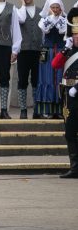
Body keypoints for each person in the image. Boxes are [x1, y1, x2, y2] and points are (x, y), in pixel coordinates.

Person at [50, 21, 78, 178]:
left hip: (76, 91)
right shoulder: (68, 50)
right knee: (70, 132)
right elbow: (54, 64)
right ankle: (75, 168)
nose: (77, 37)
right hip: (69, 95)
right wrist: (65, 49)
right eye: (75, 35)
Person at [14, 0, 42, 120]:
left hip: (37, 50)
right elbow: (21, 20)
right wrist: (23, 6)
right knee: (22, 80)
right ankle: (23, 109)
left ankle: (37, 109)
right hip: (23, 51)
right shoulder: (18, 11)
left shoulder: (41, 12)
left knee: (37, 80)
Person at [37, 0, 67, 119]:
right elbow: (45, 29)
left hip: (60, 51)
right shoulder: (44, 20)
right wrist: (50, 19)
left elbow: (63, 32)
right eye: (53, 7)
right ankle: (47, 109)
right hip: (47, 51)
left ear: (61, 9)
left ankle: (60, 109)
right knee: (47, 77)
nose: (55, 10)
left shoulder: (64, 20)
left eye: (57, 7)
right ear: (49, 8)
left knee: (59, 78)